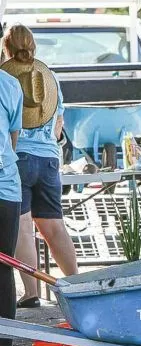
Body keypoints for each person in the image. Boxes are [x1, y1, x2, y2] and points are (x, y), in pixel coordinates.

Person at [1, 25, 78, 309]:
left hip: (17, 159)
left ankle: (31, 292)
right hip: (49, 159)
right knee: (54, 226)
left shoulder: (6, 77)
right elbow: (59, 125)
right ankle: (77, 287)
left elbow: (11, 129)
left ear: (5, 47)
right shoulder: (50, 77)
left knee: (23, 227)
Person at [0, 25, 25, 346]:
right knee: (4, 269)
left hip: (6, 186)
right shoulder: (10, 85)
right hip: (6, 185)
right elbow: (14, 139)